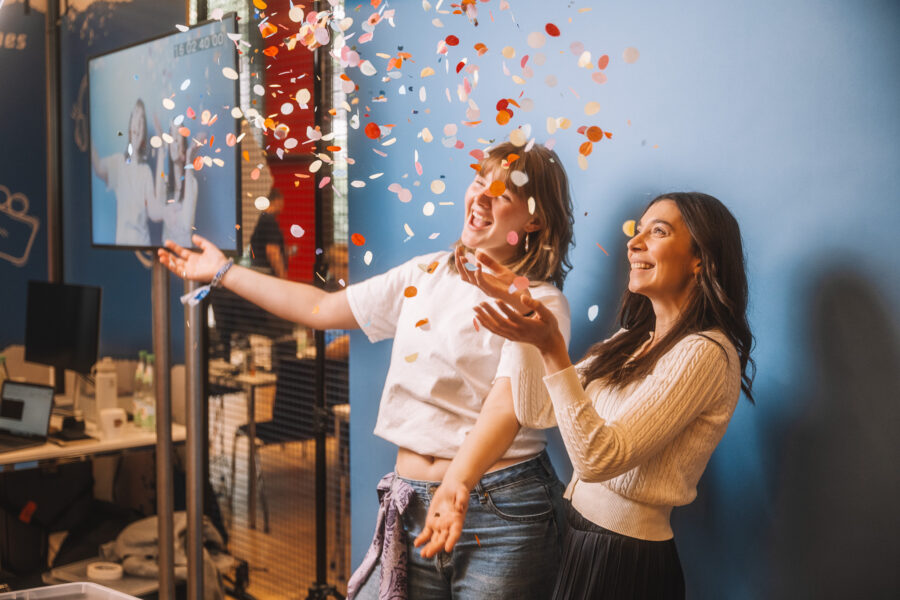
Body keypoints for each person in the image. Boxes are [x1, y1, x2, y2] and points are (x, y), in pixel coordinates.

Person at [157, 141, 576, 599]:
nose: (481, 197)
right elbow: (321, 307)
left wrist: (457, 484)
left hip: (502, 511)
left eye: (503, 193)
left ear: (534, 219)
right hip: (413, 501)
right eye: (479, 181)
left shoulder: (539, 304)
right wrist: (223, 272)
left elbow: (505, 406)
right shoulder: (426, 273)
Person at [470, 192, 755, 599]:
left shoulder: (704, 352)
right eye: (636, 231)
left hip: (625, 560)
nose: (633, 242)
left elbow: (597, 459)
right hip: (577, 538)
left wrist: (552, 347)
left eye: (658, 232)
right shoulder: (631, 339)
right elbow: (538, 410)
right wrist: (524, 321)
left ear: (700, 257)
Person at [91, 99, 155, 246]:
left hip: (144, 246)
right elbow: (99, 168)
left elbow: (153, 209)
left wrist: (166, 212)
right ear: (130, 126)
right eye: (135, 117)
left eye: (141, 120)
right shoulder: (119, 163)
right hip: (122, 247)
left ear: (143, 132)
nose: (137, 124)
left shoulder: (146, 172)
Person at [149, 121, 200, 248]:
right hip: (165, 255)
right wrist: (161, 150)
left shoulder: (192, 183)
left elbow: (186, 224)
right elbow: (155, 211)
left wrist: (189, 159)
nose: (173, 144)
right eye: (171, 138)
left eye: (177, 140)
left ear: (184, 148)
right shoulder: (166, 182)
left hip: (185, 257)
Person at [249, 188, 287, 278]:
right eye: (282, 202)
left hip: (257, 270)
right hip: (267, 273)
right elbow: (272, 251)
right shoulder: (270, 221)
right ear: (276, 201)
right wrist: (282, 276)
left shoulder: (260, 219)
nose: (283, 206)